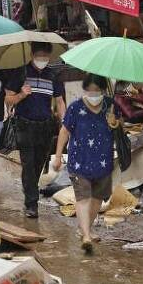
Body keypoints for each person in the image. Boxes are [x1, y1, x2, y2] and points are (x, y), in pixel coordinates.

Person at [53, 74, 118, 254]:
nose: (93, 94)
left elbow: (119, 130)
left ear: (104, 91)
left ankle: (85, 229)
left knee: (97, 199)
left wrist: (116, 123)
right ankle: (87, 236)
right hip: (79, 161)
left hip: (103, 162)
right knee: (83, 198)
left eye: (97, 91)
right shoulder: (75, 107)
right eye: (89, 91)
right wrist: (58, 156)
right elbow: (64, 131)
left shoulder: (111, 106)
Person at [6, 42, 66, 218]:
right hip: (24, 125)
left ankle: (31, 193)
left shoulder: (53, 75)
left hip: (45, 126)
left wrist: (65, 123)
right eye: (39, 56)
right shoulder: (21, 73)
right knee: (28, 164)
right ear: (32, 54)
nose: (42, 60)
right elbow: (8, 100)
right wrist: (22, 94)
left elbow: (60, 101)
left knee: (39, 164)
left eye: (45, 57)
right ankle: (31, 204)